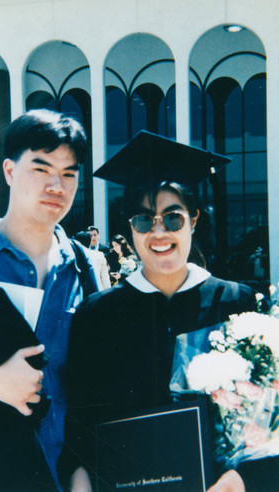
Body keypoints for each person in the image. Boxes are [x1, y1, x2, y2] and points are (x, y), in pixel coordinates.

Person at [58, 131, 278, 492]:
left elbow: (270, 423)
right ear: (130, 229)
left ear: (194, 220)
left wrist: (240, 482)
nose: (158, 232)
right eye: (144, 220)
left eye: (172, 218)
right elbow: (80, 425)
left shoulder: (239, 306)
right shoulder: (97, 316)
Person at [0, 109, 99, 490]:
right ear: (9, 171)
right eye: (41, 168)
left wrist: (83, 475)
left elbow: (90, 391)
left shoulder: (85, 268)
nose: (57, 185)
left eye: (69, 173)